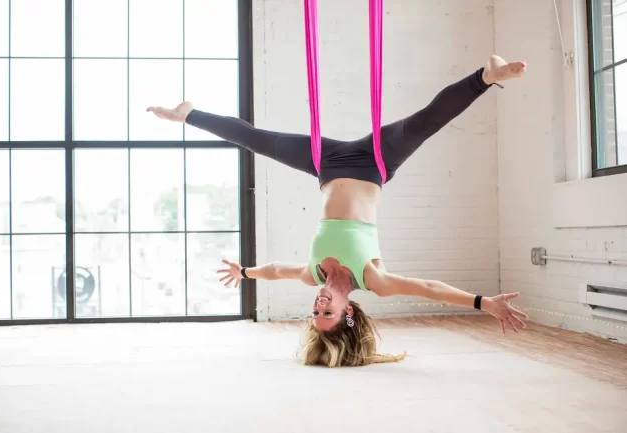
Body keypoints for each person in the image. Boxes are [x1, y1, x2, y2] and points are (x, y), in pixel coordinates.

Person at [148, 54, 530, 368]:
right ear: (348, 314)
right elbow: (429, 290)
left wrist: (245, 272)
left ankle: (189, 115)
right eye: (326, 315)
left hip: (326, 164)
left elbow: (276, 271)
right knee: (426, 122)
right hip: (374, 164)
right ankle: (487, 76)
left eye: (314, 314)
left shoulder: (311, 274)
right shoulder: (374, 280)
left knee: (257, 140)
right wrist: (482, 303)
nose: (318, 307)